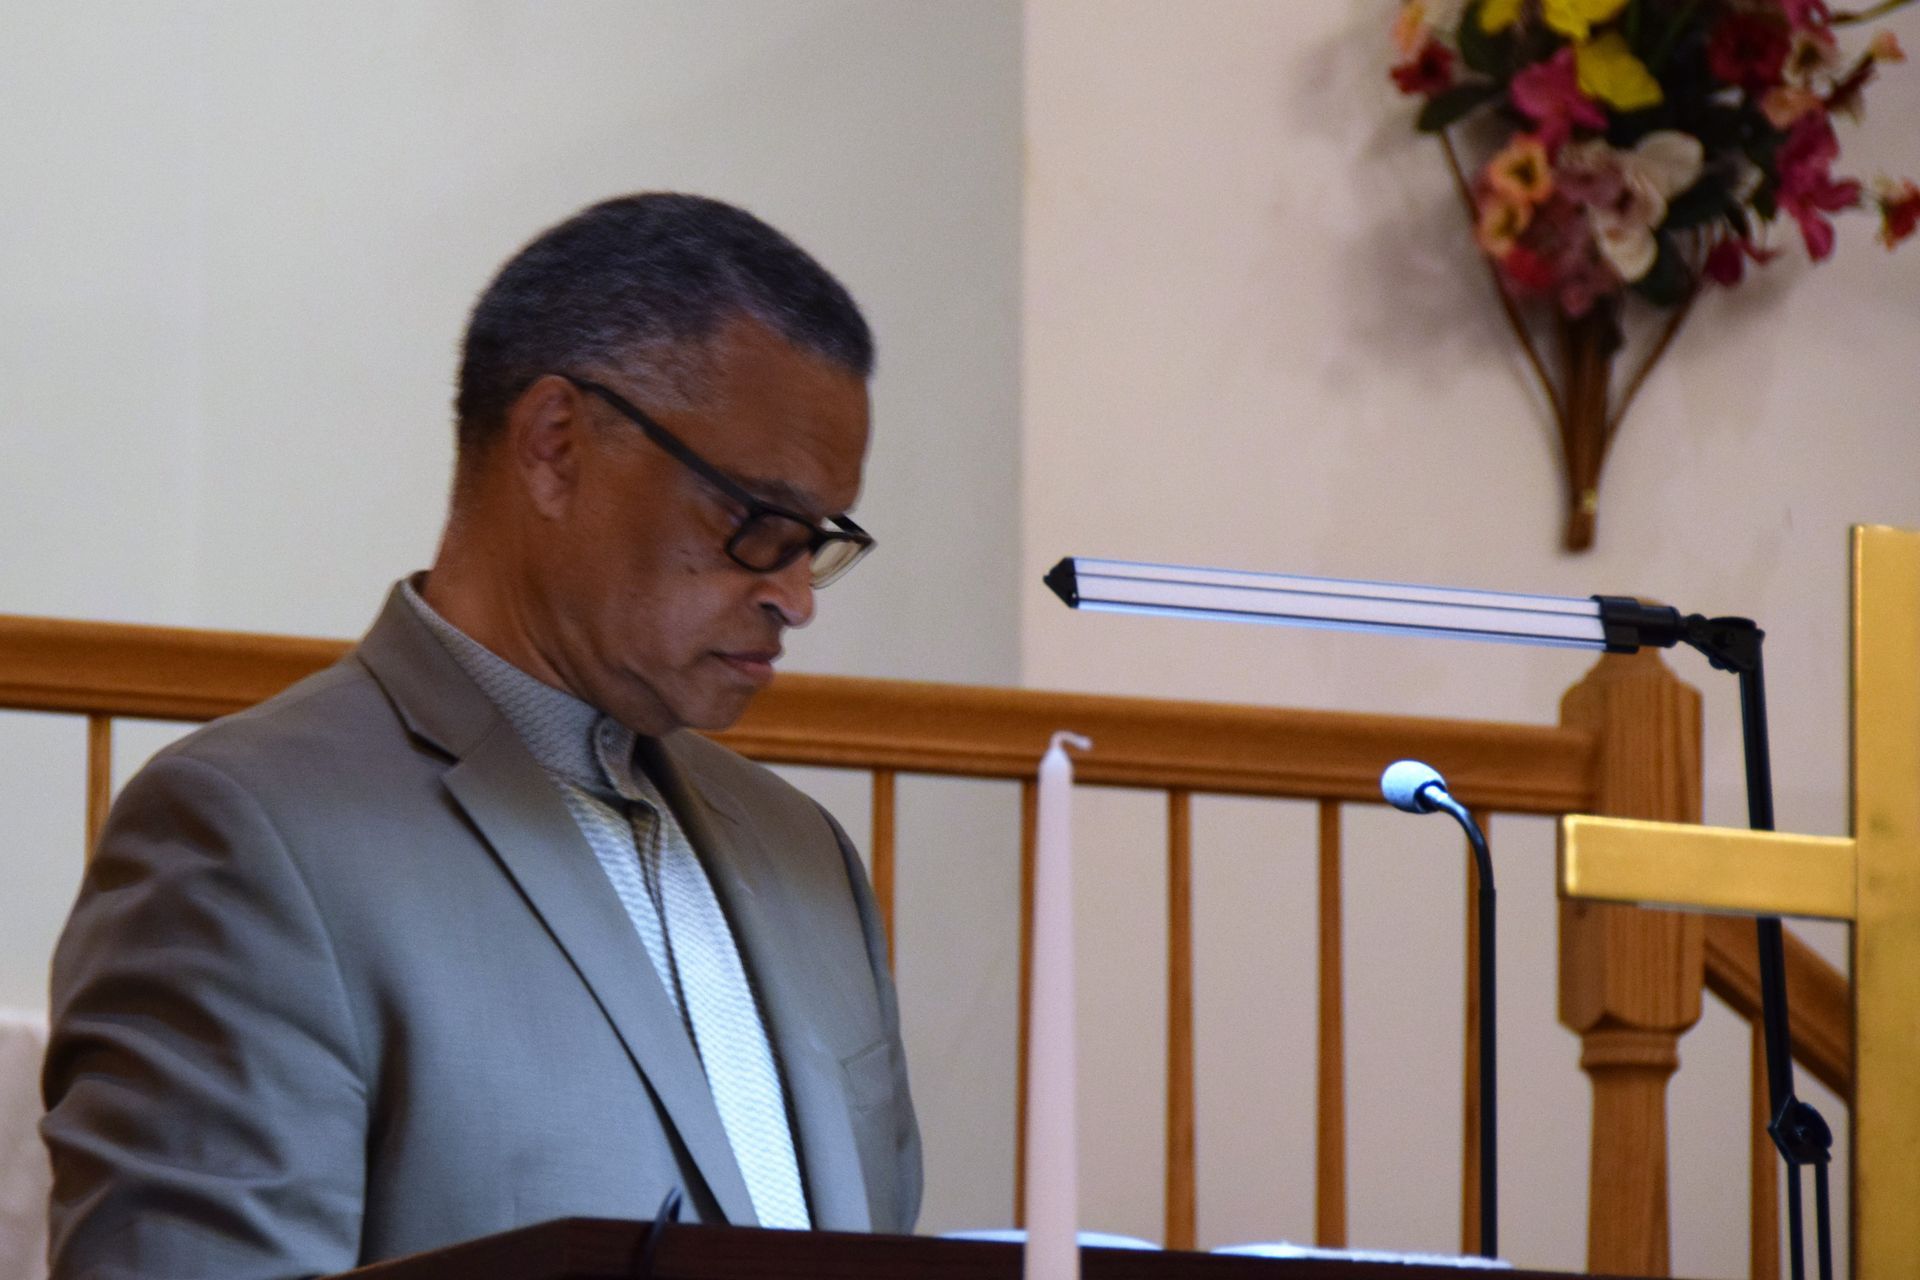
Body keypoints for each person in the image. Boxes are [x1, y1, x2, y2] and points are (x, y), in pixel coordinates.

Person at [40, 193, 921, 1279]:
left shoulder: (807, 851)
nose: (797, 596)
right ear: (555, 446)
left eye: (819, 540)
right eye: (759, 524)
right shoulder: (250, 835)